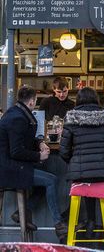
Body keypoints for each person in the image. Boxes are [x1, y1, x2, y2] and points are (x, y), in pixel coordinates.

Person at [0, 85, 67, 242]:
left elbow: (23, 140)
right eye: (35, 101)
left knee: (47, 179)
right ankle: (60, 226)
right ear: (31, 102)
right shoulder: (18, 118)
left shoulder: (16, 113)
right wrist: (38, 156)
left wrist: (39, 142)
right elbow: (16, 151)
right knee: (51, 180)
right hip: (9, 169)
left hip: (13, 166)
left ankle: (24, 211)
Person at [59, 87, 104, 238]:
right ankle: (91, 220)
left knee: (86, 177)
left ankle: (90, 220)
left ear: (78, 100)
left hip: (80, 174)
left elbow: (64, 151)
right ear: (96, 100)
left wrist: (76, 162)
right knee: (93, 178)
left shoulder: (71, 118)